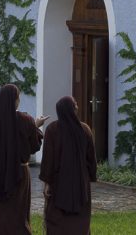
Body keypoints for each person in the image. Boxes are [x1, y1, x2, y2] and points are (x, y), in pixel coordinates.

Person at [0, 84, 48, 235]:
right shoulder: (26, 120)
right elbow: (33, 146)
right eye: (18, 98)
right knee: (17, 215)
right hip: (19, 176)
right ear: (15, 100)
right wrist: (36, 126)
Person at [40, 96, 98, 235]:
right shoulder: (85, 130)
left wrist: (47, 183)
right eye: (75, 104)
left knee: (57, 220)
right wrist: (90, 177)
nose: (77, 106)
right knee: (80, 220)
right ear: (72, 109)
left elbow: (48, 159)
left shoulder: (52, 129)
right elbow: (91, 159)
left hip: (58, 182)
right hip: (80, 182)